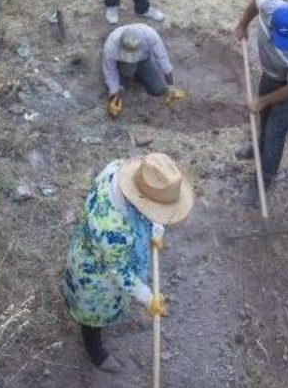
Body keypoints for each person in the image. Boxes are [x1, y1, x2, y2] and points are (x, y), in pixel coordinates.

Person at [62, 153, 194, 367]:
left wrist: (155, 231)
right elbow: (120, 272)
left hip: (102, 252)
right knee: (91, 315)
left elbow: (148, 210)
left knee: (104, 306)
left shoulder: (117, 169)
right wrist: (147, 297)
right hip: (95, 276)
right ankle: (95, 351)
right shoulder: (112, 231)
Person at [235, 0, 288, 198]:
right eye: (281, 39)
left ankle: (263, 181)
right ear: (271, 24)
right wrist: (243, 25)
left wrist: (262, 101)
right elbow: (255, 1)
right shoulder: (270, 7)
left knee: (275, 131)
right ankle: (258, 150)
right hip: (272, 73)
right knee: (265, 117)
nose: (284, 46)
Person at [103, 24, 174, 111]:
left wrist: (171, 86)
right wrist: (114, 94)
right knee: (127, 74)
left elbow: (162, 57)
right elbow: (110, 70)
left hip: (143, 59)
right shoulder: (111, 45)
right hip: (123, 60)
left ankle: (137, 73)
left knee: (158, 90)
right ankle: (126, 75)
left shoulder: (150, 35)